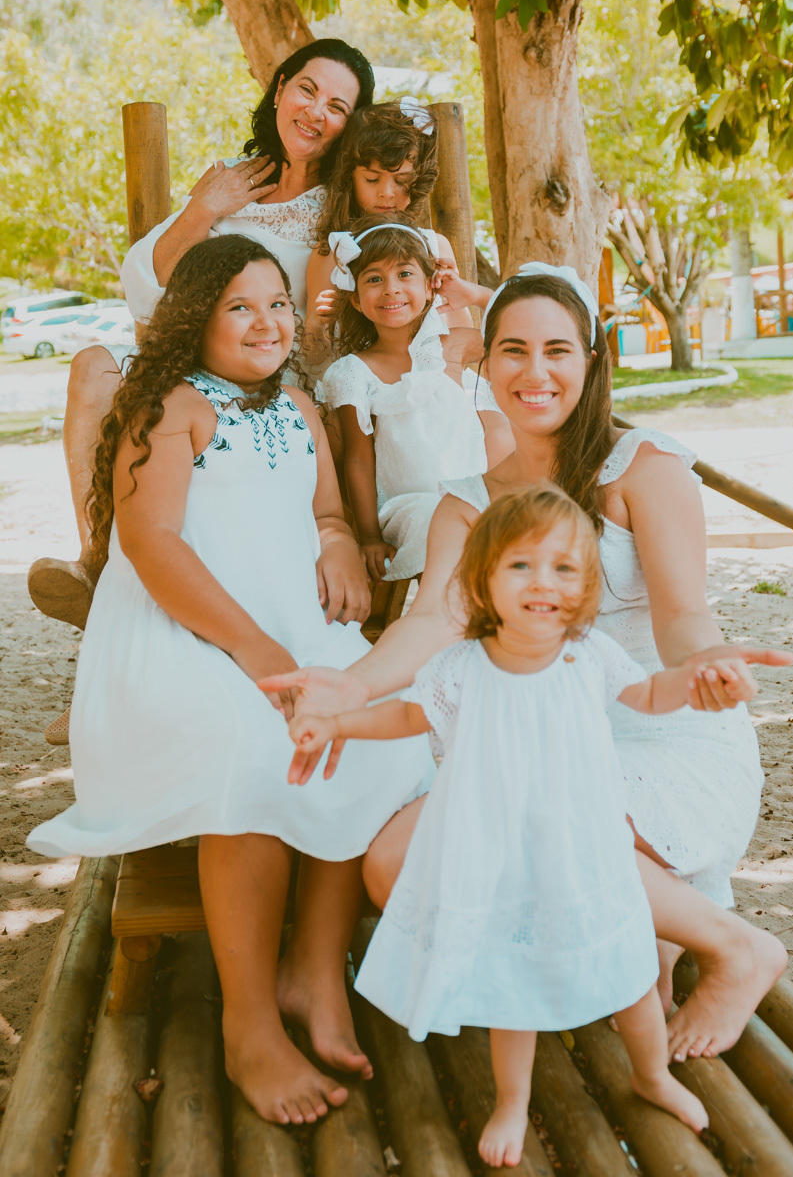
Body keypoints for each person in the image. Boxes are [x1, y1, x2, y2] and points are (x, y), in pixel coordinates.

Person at [262, 263, 791, 1066]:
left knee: (559, 829)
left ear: (591, 360)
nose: (534, 373)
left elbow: (683, 613)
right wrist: (355, 682)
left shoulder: (645, 467)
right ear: (484, 364)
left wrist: (707, 663)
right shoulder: (468, 500)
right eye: (512, 351)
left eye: (557, 351)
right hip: (526, 737)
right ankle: (622, 947)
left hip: (656, 726)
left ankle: (732, 946)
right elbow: (436, 617)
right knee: (395, 861)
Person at [27, 235, 436, 1125]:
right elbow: (153, 545)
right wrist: (255, 656)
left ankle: (314, 975)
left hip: (289, 633)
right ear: (196, 319)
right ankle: (248, 1026)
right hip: (181, 640)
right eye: (240, 306)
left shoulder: (296, 403)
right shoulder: (168, 405)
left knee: (360, 732)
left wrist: (336, 545)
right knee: (254, 752)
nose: (268, 322)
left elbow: (327, 508)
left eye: (280, 303)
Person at [288, 484, 738, 1163]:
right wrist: (336, 721)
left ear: (585, 585)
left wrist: (704, 674)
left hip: (587, 850)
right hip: (502, 856)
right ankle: (512, 1103)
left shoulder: (588, 656)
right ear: (484, 580)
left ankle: (651, 1077)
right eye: (520, 566)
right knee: (513, 990)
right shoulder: (464, 666)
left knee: (631, 978)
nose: (543, 583)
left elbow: (650, 694)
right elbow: (407, 715)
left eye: (564, 568)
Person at [29, 37, 374, 631]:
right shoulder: (236, 183)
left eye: (338, 107)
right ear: (280, 92)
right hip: (192, 357)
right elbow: (145, 285)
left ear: (349, 126)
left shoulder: (343, 205)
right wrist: (202, 210)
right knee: (92, 364)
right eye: (308, 90)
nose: (317, 112)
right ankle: (95, 566)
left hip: (277, 366)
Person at [320, 216, 512, 581]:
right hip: (409, 508)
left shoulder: (452, 348)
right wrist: (370, 537)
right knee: (440, 520)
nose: (391, 289)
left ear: (429, 287)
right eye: (374, 279)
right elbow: (359, 461)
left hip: (475, 496)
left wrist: (474, 294)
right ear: (357, 301)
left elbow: (519, 329)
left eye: (404, 274)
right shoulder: (353, 372)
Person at [304, 99, 471, 366]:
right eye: (372, 179)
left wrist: (453, 291)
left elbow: (463, 347)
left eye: (402, 180)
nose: (387, 192)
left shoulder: (434, 246)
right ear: (350, 177)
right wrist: (316, 325)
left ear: (419, 180)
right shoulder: (334, 252)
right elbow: (314, 357)